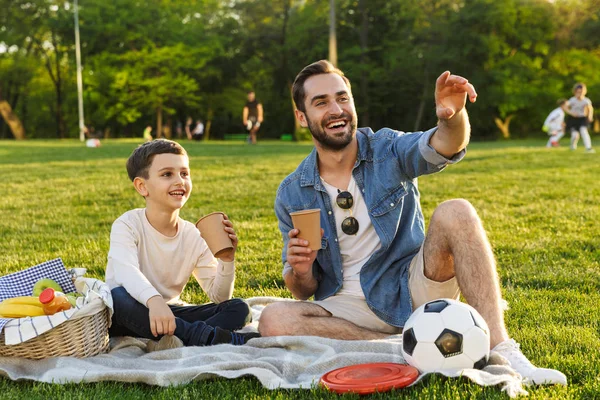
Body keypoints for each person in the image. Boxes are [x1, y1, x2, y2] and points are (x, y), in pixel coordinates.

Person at [258, 60, 566, 386]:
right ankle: (395, 347)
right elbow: (301, 291)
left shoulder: (388, 148)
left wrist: (452, 117)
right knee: (274, 319)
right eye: (321, 102)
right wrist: (301, 269)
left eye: (342, 98)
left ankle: (502, 350)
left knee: (456, 211)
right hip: (345, 308)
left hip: (411, 285)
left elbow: (443, 146)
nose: (336, 109)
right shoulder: (292, 191)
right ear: (302, 117)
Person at [106, 139, 259, 351]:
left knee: (239, 308)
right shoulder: (127, 224)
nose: (180, 181)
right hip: (133, 311)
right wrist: (154, 301)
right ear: (142, 186)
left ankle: (184, 337)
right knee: (117, 297)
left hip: (169, 313)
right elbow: (126, 272)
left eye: (184, 173)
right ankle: (212, 338)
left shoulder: (193, 234)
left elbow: (219, 296)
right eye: (167, 174)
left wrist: (226, 260)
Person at [565, 83, 595, 153]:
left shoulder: (586, 100)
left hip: (582, 119)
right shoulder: (572, 100)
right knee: (575, 135)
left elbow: (590, 108)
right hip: (573, 119)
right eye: (578, 92)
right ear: (575, 92)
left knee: (583, 131)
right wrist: (571, 113)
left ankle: (588, 148)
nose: (580, 93)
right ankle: (573, 146)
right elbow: (566, 107)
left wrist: (590, 116)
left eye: (581, 92)